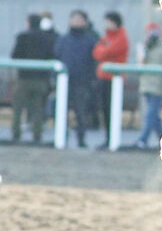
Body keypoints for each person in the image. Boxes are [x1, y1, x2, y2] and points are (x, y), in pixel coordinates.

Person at [54, 10, 100, 148]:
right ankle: (62, 137)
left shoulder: (91, 40)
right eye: (74, 19)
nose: (76, 22)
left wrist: (93, 79)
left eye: (79, 19)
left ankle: (81, 138)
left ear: (85, 22)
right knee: (62, 111)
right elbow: (56, 56)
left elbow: (95, 61)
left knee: (81, 112)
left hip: (83, 82)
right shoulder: (63, 39)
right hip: (64, 81)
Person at [9, 13, 57, 144]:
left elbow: (15, 55)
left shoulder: (22, 37)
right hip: (41, 79)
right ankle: (37, 135)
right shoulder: (47, 38)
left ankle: (16, 133)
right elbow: (51, 56)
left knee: (18, 108)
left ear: (28, 22)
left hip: (23, 78)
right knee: (38, 108)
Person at [92, 10, 129, 147]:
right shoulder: (107, 37)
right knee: (105, 110)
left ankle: (112, 139)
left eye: (108, 21)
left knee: (111, 110)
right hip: (103, 78)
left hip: (113, 80)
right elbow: (96, 52)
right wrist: (104, 50)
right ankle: (108, 138)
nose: (106, 24)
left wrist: (104, 50)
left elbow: (105, 52)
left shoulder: (121, 37)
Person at [135, 22, 162, 148]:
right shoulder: (145, 47)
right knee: (154, 116)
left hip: (157, 88)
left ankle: (143, 139)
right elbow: (141, 63)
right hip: (146, 86)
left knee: (150, 114)